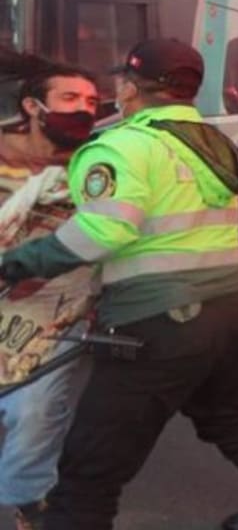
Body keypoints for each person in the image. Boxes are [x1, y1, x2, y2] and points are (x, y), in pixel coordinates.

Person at [0, 39, 238, 530]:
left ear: (127, 88)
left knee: (86, 477)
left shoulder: (122, 145)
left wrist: (15, 264)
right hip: (228, 304)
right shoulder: (212, 140)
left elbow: (105, 230)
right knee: (223, 412)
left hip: (160, 321)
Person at [0, 65, 99, 530]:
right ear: (32, 107)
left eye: (91, 102)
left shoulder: (95, 165)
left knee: (35, 409)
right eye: (70, 98)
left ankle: (29, 498)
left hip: (58, 303)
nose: (83, 108)